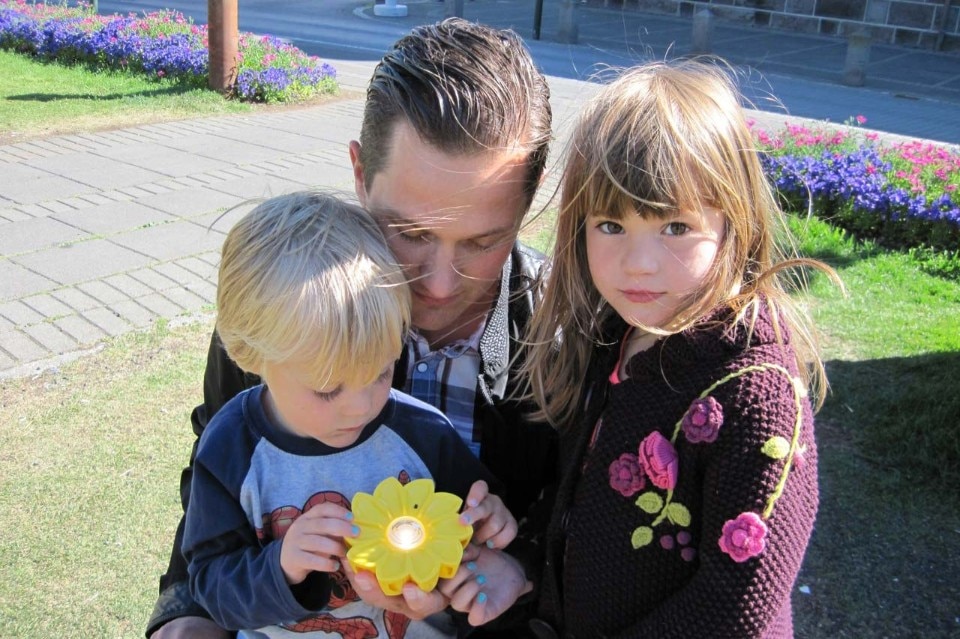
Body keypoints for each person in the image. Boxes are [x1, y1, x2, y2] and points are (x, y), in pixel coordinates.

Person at [147, 18, 556, 639]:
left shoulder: (568, 335)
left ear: (527, 204)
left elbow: (579, 524)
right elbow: (218, 493)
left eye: (482, 242)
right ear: (360, 174)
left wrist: (515, 560)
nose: (438, 284)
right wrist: (184, 617)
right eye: (410, 233)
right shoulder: (288, 309)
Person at [520, 61, 840, 638]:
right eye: (610, 225)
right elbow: (574, 504)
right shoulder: (611, 336)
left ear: (735, 221)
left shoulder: (757, 397)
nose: (638, 263)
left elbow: (736, 606)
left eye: (674, 228)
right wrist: (519, 566)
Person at [183, 191, 516, 638]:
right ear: (253, 354)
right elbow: (210, 585)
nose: (361, 407)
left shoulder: (423, 433)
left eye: (381, 372)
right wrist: (280, 567)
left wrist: (488, 523)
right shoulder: (231, 448)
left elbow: (468, 527)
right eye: (327, 389)